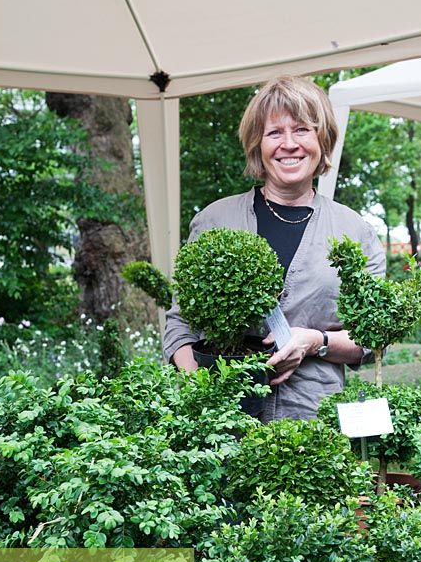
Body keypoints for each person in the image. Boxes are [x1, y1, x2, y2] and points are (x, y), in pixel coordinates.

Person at [164, 75, 385, 420]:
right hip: (221, 423)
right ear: (258, 145)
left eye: (301, 130)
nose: (289, 144)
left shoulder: (355, 232)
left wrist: (315, 341)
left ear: (322, 140)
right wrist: (201, 392)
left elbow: (371, 338)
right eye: (274, 133)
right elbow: (180, 322)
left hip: (312, 420)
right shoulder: (215, 221)